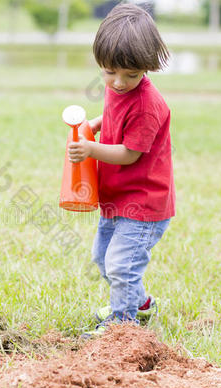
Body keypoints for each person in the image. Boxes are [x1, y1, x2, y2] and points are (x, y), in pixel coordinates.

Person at [67, 3, 175, 338]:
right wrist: (95, 125)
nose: (118, 82)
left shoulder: (147, 106)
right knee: (103, 258)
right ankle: (139, 304)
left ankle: (123, 325)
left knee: (121, 265)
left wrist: (90, 149)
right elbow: (114, 116)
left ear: (147, 67)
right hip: (116, 196)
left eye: (131, 74)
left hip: (143, 204)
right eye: (109, 72)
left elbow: (129, 153)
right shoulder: (117, 88)